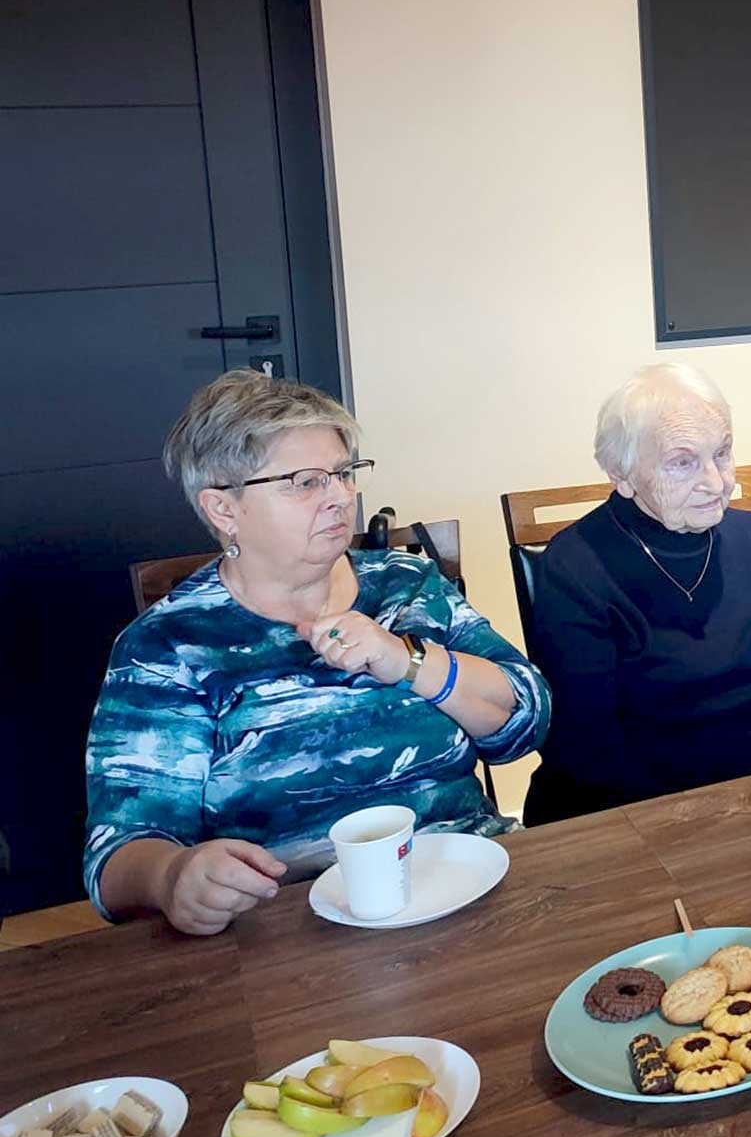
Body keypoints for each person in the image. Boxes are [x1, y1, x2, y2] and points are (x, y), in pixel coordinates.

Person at [84, 371, 549, 936]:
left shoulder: (407, 586)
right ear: (223, 509)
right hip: (290, 930)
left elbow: (527, 717)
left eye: (344, 474)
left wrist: (407, 660)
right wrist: (171, 876)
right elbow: (117, 854)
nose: (341, 497)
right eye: (305, 482)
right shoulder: (167, 645)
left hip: (470, 886)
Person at [524, 363, 751, 824]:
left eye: (722, 453)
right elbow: (586, 745)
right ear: (621, 473)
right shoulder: (575, 566)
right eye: (682, 462)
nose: (717, 483)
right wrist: (714, 816)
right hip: (638, 811)